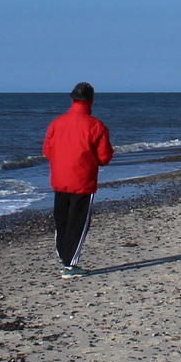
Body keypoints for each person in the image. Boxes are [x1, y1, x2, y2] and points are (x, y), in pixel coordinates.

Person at [42, 82, 113, 278]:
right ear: (91, 100)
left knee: (62, 219)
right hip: (82, 179)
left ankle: (64, 257)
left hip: (60, 177)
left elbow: (47, 150)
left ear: (72, 98)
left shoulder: (57, 123)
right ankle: (70, 264)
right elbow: (104, 157)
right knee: (78, 222)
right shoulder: (95, 125)